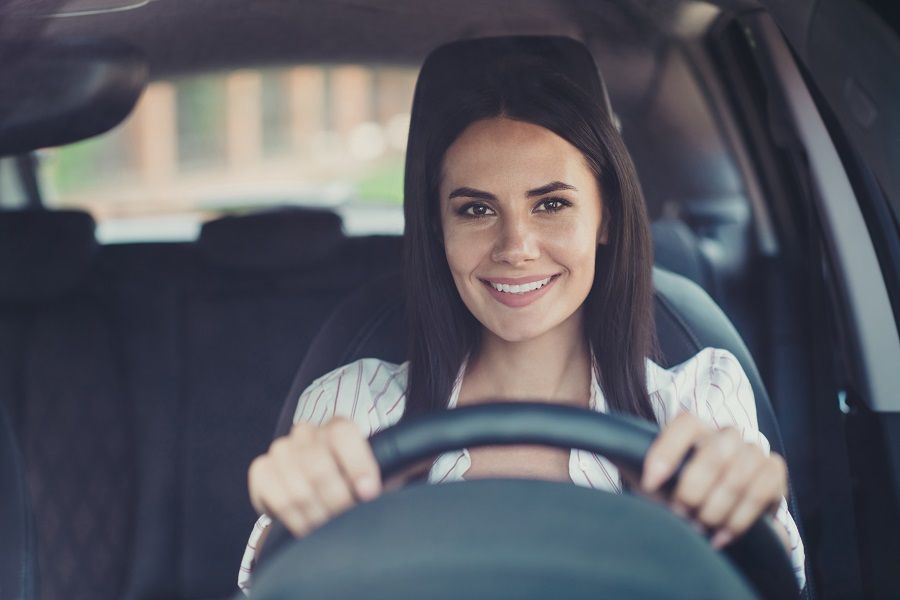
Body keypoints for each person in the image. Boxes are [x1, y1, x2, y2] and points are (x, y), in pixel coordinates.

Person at [238, 38, 806, 594]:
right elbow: (273, 577)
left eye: (552, 204)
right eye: (477, 209)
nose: (516, 247)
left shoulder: (697, 402)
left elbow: (777, 574)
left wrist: (741, 517)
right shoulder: (353, 408)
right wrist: (295, 510)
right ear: (439, 231)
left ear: (606, 217)